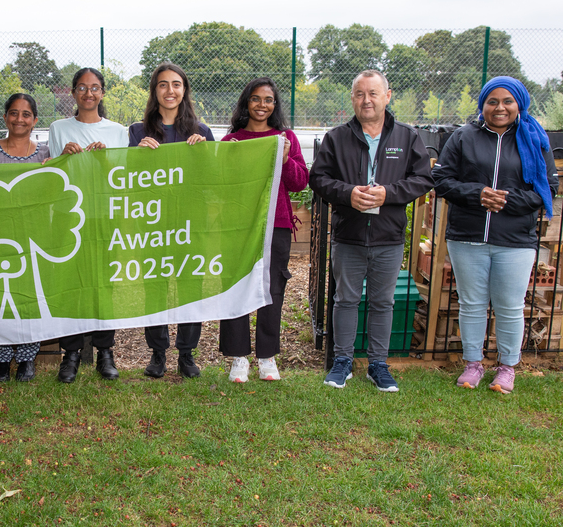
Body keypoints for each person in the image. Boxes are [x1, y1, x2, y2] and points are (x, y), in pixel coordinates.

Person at [433, 76, 558, 394]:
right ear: (483, 105)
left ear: (519, 105)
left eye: (507, 101)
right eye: (492, 101)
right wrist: (478, 194)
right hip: (467, 235)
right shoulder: (463, 137)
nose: (499, 108)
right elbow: (443, 180)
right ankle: (473, 364)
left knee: (510, 305)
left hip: (515, 239)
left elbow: (547, 188)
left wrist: (506, 200)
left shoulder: (534, 140)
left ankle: (506, 368)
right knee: (472, 303)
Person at [311, 69, 434, 392]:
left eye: (373, 93)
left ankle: (378, 364)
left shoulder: (407, 137)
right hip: (348, 234)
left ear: (387, 96)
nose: (367, 100)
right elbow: (319, 179)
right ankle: (342, 362)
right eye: (360, 94)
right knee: (345, 299)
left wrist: (388, 194)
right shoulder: (337, 137)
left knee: (383, 302)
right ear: (352, 98)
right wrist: (348, 194)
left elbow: (422, 179)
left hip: (388, 237)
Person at [219, 77, 309, 383]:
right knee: (238, 287)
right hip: (239, 227)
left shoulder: (286, 138)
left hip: (277, 224)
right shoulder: (232, 140)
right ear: (246, 103)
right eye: (256, 99)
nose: (262, 105)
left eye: (268, 100)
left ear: (275, 105)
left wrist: (284, 160)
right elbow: (220, 184)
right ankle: (238, 357)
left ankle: (267, 357)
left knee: (272, 289)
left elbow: (299, 183)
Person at [129, 63, 213, 379]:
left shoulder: (201, 132)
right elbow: (127, 180)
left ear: (184, 90)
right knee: (155, 286)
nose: (170, 91)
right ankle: (157, 353)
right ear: (155, 91)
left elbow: (212, 179)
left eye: (176, 84)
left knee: (191, 285)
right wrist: (135, 155)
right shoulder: (138, 131)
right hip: (153, 224)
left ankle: (187, 354)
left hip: (191, 222)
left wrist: (206, 154)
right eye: (162, 85)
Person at [47, 68, 128, 383]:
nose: (89, 93)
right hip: (69, 217)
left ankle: (105, 352)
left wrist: (104, 161)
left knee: (103, 285)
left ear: (102, 93)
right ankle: (72, 354)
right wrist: (64, 158)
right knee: (71, 284)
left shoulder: (118, 131)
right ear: (73, 93)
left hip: (105, 216)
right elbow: (52, 175)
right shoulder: (58, 128)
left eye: (95, 88)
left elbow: (122, 178)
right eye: (82, 87)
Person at [0, 93, 50, 382]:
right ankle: (1, 359)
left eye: (26, 114)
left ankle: (27, 358)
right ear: (5, 116)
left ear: (35, 120)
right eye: (14, 113)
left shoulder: (44, 154)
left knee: (28, 297)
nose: (20, 119)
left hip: (31, 236)